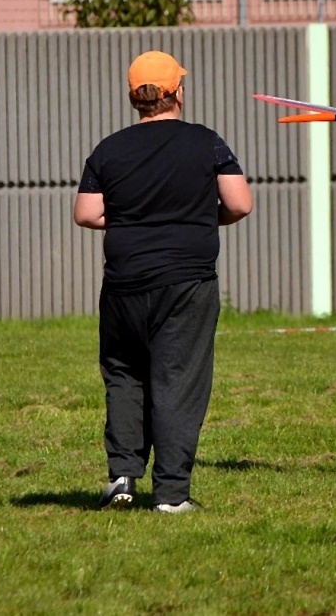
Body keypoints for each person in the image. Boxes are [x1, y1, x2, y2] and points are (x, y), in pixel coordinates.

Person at [72, 50, 252, 513]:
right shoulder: (205, 142)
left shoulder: (109, 149)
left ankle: (122, 478)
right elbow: (239, 204)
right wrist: (194, 219)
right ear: (177, 92)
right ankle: (171, 495)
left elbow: (87, 213)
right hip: (186, 284)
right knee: (178, 381)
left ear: (135, 97)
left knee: (125, 376)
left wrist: (135, 220)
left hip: (124, 284)